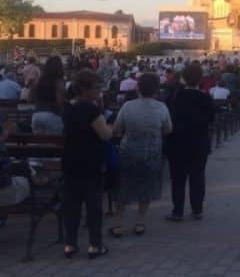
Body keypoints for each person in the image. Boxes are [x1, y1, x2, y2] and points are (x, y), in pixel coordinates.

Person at [109, 73, 172, 237]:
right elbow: (168, 129)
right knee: (147, 185)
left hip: (129, 150)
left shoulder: (128, 106)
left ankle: (118, 223)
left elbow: (116, 129)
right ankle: (140, 222)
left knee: (124, 186)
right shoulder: (161, 107)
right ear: (156, 90)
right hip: (151, 152)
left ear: (138, 88)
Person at [62, 70, 113, 258]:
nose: (99, 92)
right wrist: (110, 127)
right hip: (90, 161)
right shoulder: (91, 110)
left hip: (70, 159)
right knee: (93, 206)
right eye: (97, 88)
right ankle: (95, 245)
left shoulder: (68, 108)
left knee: (72, 205)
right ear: (85, 89)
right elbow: (105, 135)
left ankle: (70, 244)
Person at [165, 63, 215, 221]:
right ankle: (197, 209)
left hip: (177, 142)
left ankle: (178, 211)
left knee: (178, 178)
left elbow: (168, 118)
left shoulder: (175, 96)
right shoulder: (205, 97)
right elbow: (211, 119)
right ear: (200, 79)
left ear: (183, 78)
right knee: (197, 176)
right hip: (199, 142)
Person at [30, 56, 66, 135]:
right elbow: (59, 101)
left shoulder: (39, 80)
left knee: (39, 145)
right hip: (53, 114)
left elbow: (31, 98)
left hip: (37, 115)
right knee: (54, 144)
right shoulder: (58, 81)